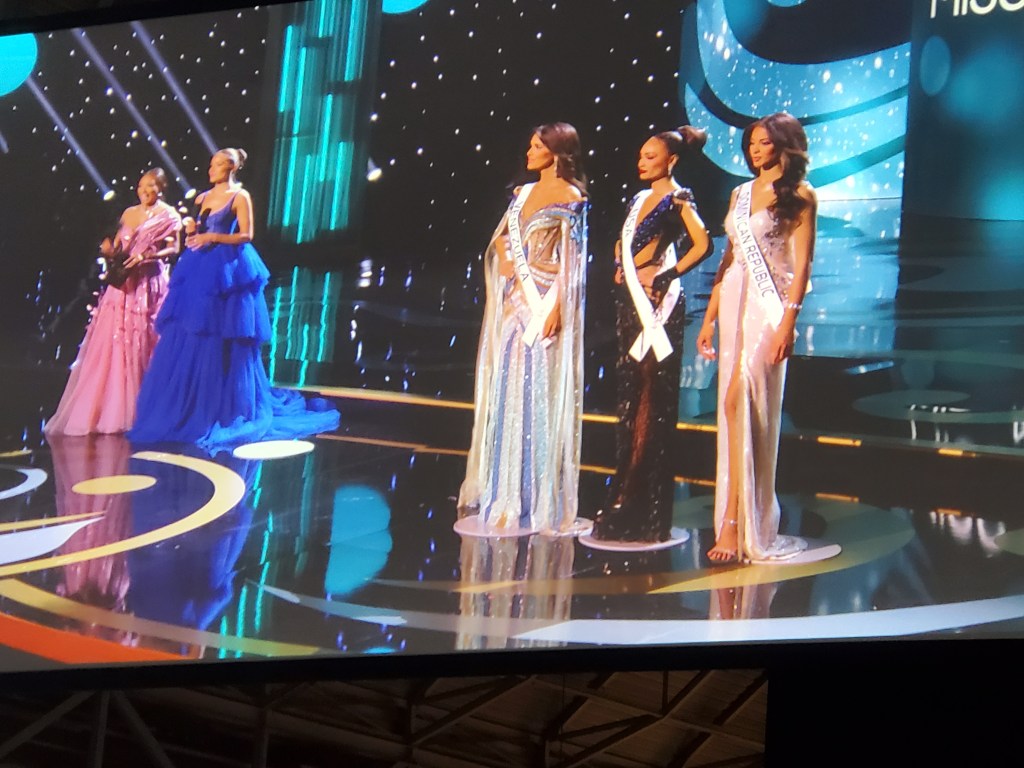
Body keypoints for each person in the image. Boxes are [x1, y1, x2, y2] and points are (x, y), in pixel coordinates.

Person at [129, 148, 339, 449]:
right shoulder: (202, 198)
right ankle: (191, 403)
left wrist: (212, 237)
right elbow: (198, 233)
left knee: (223, 334)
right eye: (211, 164)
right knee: (192, 330)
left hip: (227, 267)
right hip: (199, 267)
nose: (211, 169)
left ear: (231, 168)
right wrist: (194, 231)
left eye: (217, 165)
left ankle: (224, 405)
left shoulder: (240, 196)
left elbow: (246, 234)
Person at [696, 112, 817, 562]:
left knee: (743, 401)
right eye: (751, 143)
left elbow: (802, 266)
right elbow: (729, 259)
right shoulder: (740, 193)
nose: (754, 150)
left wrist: (788, 322)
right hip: (733, 300)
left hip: (770, 307)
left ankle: (739, 522)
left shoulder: (801, 195)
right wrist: (708, 319)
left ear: (784, 145)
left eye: (763, 142)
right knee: (732, 407)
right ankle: (736, 516)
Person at [458, 123, 589, 535]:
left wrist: (559, 308)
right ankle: (505, 491)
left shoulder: (572, 197)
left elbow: (573, 260)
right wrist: (507, 259)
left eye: (537, 146)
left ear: (556, 152)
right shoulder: (521, 194)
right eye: (530, 146)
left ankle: (537, 496)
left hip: (546, 298)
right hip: (515, 297)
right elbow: (500, 241)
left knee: (539, 390)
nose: (529, 153)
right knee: (508, 386)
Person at [594, 126, 711, 543]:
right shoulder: (638, 199)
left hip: (658, 305)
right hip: (630, 301)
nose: (641, 162)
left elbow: (703, 244)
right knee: (631, 396)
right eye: (641, 155)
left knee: (651, 398)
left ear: (671, 161)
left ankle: (637, 496)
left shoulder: (678, 198)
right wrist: (621, 263)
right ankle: (625, 488)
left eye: (650, 156)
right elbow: (623, 245)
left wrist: (667, 274)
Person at [45, 168, 181, 436]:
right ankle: (115, 405)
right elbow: (119, 247)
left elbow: (174, 248)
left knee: (147, 341)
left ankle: (149, 404)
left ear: (161, 188)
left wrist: (147, 257)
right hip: (124, 285)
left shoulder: (169, 215)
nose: (144, 191)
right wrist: (109, 251)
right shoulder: (129, 213)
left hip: (149, 284)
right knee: (117, 342)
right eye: (141, 186)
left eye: (150, 186)